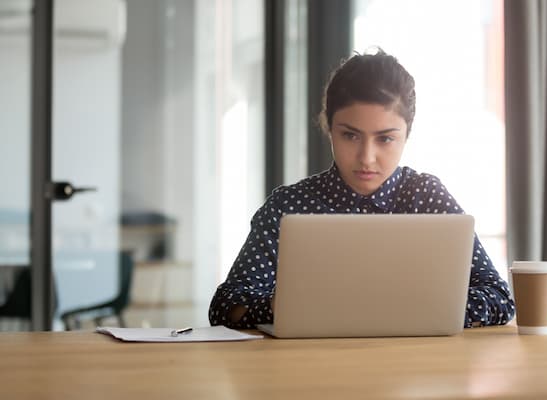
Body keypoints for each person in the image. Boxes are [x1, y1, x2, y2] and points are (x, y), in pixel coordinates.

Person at [209, 49, 515, 329]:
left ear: (407, 135)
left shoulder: (425, 196)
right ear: (328, 127)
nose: (367, 158)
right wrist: (279, 307)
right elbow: (225, 306)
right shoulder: (289, 205)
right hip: (310, 373)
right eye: (350, 136)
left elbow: (499, 297)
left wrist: (419, 311)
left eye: (385, 139)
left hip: (415, 374)